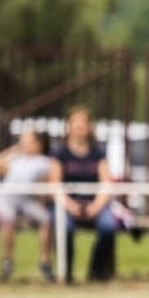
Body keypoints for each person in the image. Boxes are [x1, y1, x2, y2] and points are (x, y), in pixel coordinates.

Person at [52, 106, 120, 284]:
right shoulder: (60, 153)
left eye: (83, 122)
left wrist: (96, 206)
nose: (79, 126)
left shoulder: (98, 152)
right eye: (75, 121)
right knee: (64, 228)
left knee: (108, 226)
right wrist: (71, 206)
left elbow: (106, 182)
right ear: (69, 125)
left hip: (94, 205)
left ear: (90, 126)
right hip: (68, 206)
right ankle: (66, 273)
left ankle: (96, 272)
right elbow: (54, 185)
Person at [0, 129, 55, 283]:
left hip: (25, 200)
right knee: (8, 220)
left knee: (45, 219)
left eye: (28, 140)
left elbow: (48, 182)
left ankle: (45, 262)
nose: (24, 143)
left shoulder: (44, 162)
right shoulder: (15, 159)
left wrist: (42, 197)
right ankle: (8, 261)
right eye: (22, 140)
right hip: (6, 199)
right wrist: (12, 151)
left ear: (38, 144)